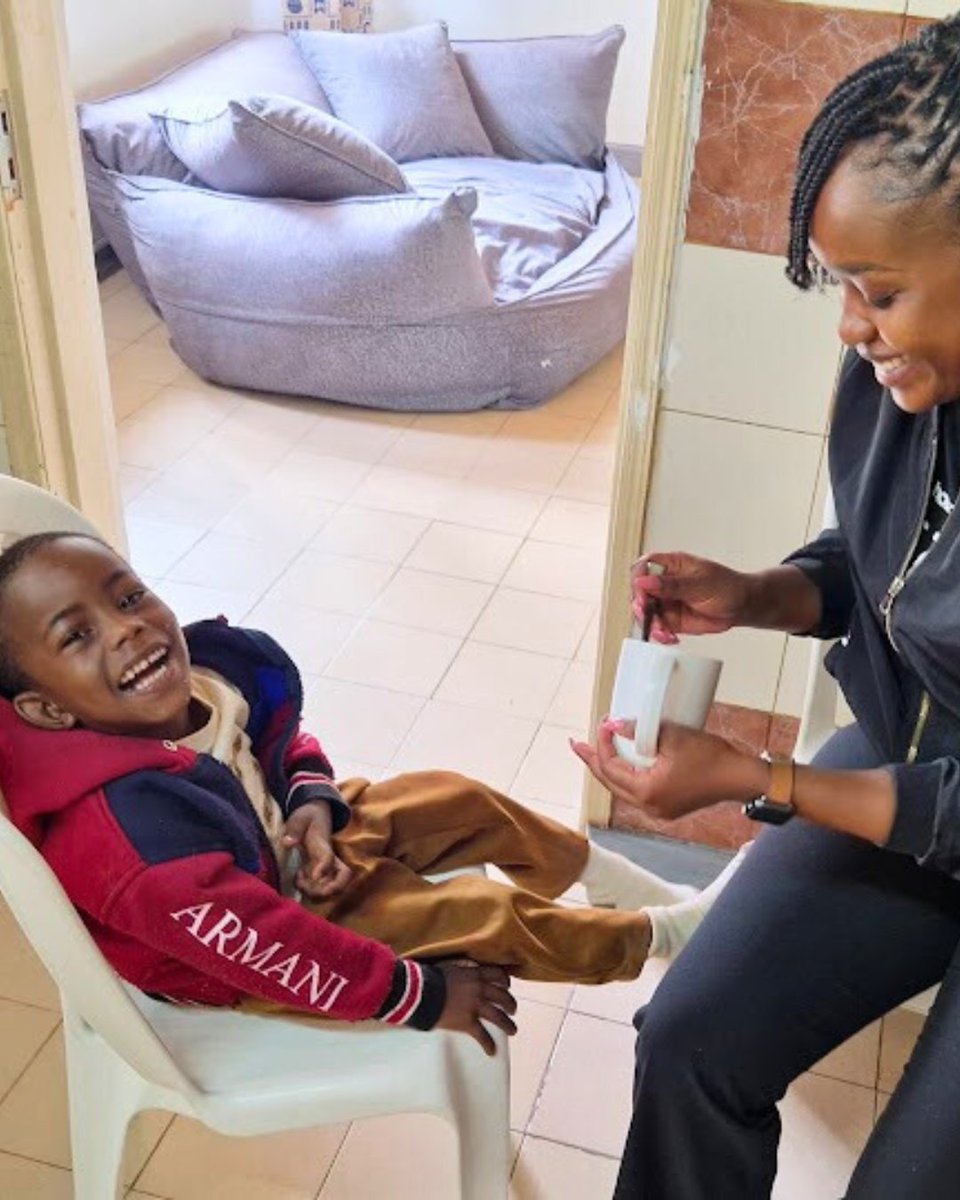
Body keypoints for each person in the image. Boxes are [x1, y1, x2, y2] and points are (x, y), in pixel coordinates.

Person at [570, 16, 960, 1199]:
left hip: (917, 798)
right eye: (842, 285)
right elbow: (885, 561)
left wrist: (764, 783)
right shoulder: (907, 378)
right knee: (692, 1040)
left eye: (876, 290)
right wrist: (755, 593)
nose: (850, 324)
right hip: (904, 771)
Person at [0, 529, 723, 1056]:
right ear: (48, 711)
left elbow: (283, 747)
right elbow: (265, 949)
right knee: (481, 915)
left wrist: (313, 806)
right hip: (245, 947)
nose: (126, 628)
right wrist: (419, 997)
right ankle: (660, 938)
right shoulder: (129, 841)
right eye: (77, 637)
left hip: (276, 848)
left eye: (128, 595)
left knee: (451, 796)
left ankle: (605, 880)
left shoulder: (204, 687)